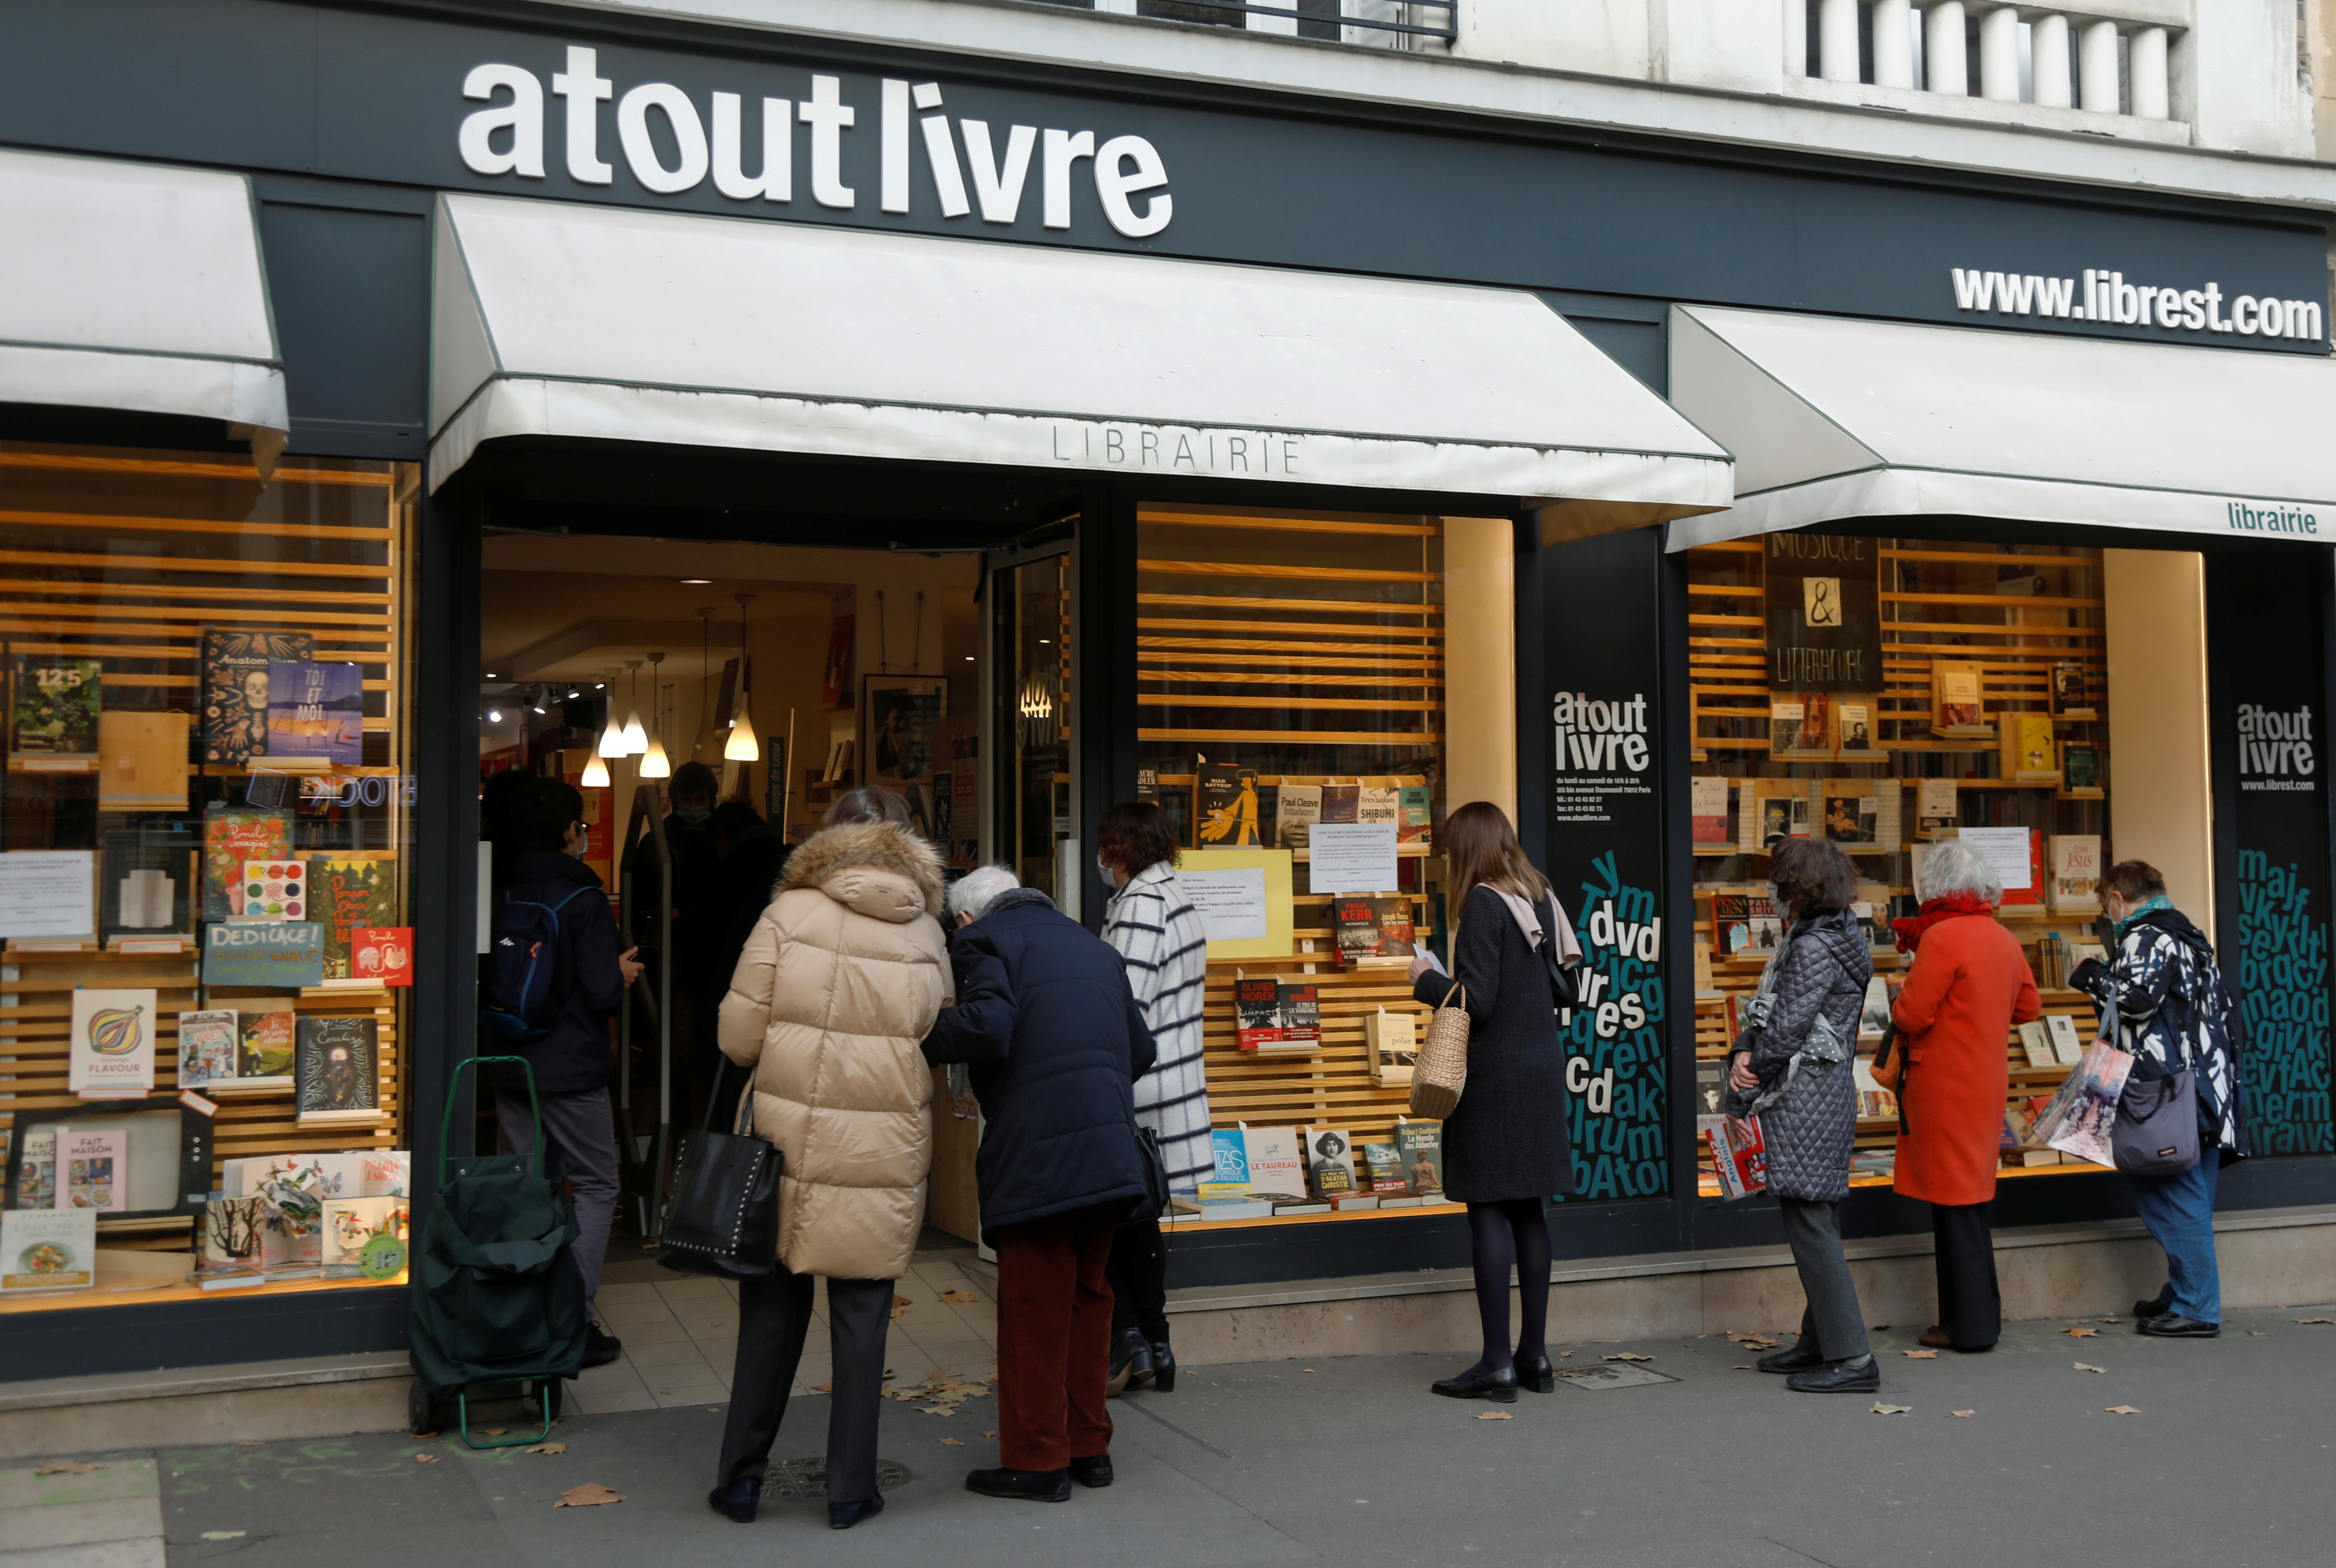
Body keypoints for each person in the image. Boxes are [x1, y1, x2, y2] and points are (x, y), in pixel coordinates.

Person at [707, 783, 952, 1530]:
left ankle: (741, 1481)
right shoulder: (926, 930)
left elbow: (737, 1040)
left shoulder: (785, 915)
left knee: (770, 1317)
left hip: (785, 1143)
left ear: (827, 839)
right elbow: (936, 1031)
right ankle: (850, 1489)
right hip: (883, 1142)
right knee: (862, 1319)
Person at [923, 866, 1157, 1504]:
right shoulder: (1094, 946)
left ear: (965, 918)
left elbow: (985, 1027)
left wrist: (919, 1033)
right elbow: (1141, 1049)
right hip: (1108, 1149)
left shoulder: (985, 941)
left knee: (1033, 1308)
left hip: (1038, 1154)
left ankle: (1036, 1459)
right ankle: (1089, 1447)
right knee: (1088, 1298)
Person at [1405, 801, 1581, 1403]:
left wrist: (1424, 978)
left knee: (1485, 1210)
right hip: (1538, 1066)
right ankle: (1533, 1357)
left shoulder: (1483, 902)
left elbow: (1475, 1001)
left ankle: (1495, 1364)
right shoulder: (1537, 895)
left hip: (1496, 1074)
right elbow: (1568, 986)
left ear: (1466, 850)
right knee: (1528, 1209)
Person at [487, 777, 642, 1369]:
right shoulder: (581, 898)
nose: (582, 834)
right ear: (566, 832)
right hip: (570, 1066)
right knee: (598, 1184)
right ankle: (569, 1319)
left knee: (526, 1185)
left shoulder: (501, 883)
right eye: (579, 825)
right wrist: (621, 974)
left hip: (506, 1058)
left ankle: (517, 1311)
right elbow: (602, 989)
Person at [2069, 859, 2248, 1339]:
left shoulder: (2146, 936)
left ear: (2117, 900)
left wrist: (2088, 972)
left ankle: (2197, 1307)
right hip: (2203, 1088)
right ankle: (2180, 1293)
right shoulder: (2188, 934)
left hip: (2164, 1093)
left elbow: (2138, 999)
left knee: (2172, 1195)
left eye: (2106, 905)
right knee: (2191, 1192)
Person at [1730, 836, 1879, 1393]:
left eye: (1781, 879)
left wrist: (1748, 1074)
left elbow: (1787, 1025)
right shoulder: (1836, 934)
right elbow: (1778, 1011)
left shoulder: (1813, 946)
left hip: (1802, 1097)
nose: (1775, 888)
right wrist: (1749, 1045)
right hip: (1822, 1095)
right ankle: (1821, 1342)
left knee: (1810, 1224)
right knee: (1817, 1220)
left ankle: (1853, 1358)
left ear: (1799, 886)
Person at [1883, 839, 2040, 1352]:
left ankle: (1969, 1326)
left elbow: (1910, 1015)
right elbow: (2028, 1009)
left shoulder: (1943, 937)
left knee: (1953, 1206)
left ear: (1936, 888)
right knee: (1965, 1203)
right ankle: (1964, 1319)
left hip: (1943, 1085)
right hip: (1985, 1082)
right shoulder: (2002, 938)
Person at [1095, 800, 1211, 1396]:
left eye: (1105, 846)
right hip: (1175, 1083)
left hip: (1139, 1087)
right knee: (1141, 1224)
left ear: (1119, 849)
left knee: (1111, 1219)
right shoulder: (1177, 896)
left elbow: (1126, 1000)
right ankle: (1156, 1346)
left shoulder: (1140, 903)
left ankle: (1130, 1339)